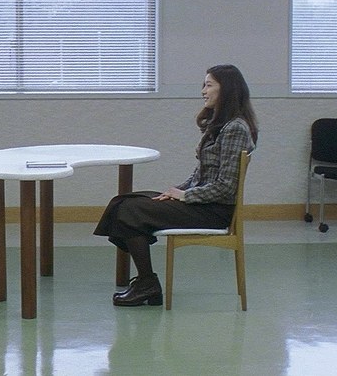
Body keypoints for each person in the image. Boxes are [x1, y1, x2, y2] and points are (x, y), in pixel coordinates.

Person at [94, 64, 258, 307]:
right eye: (204, 85)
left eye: (209, 85)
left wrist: (185, 196)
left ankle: (148, 284)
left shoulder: (235, 128)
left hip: (214, 210)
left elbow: (226, 187)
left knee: (130, 210)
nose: (203, 91)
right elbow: (201, 173)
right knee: (123, 202)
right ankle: (147, 283)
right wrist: (175, 192)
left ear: (227, 89)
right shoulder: (221, 125)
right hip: (203, 203)